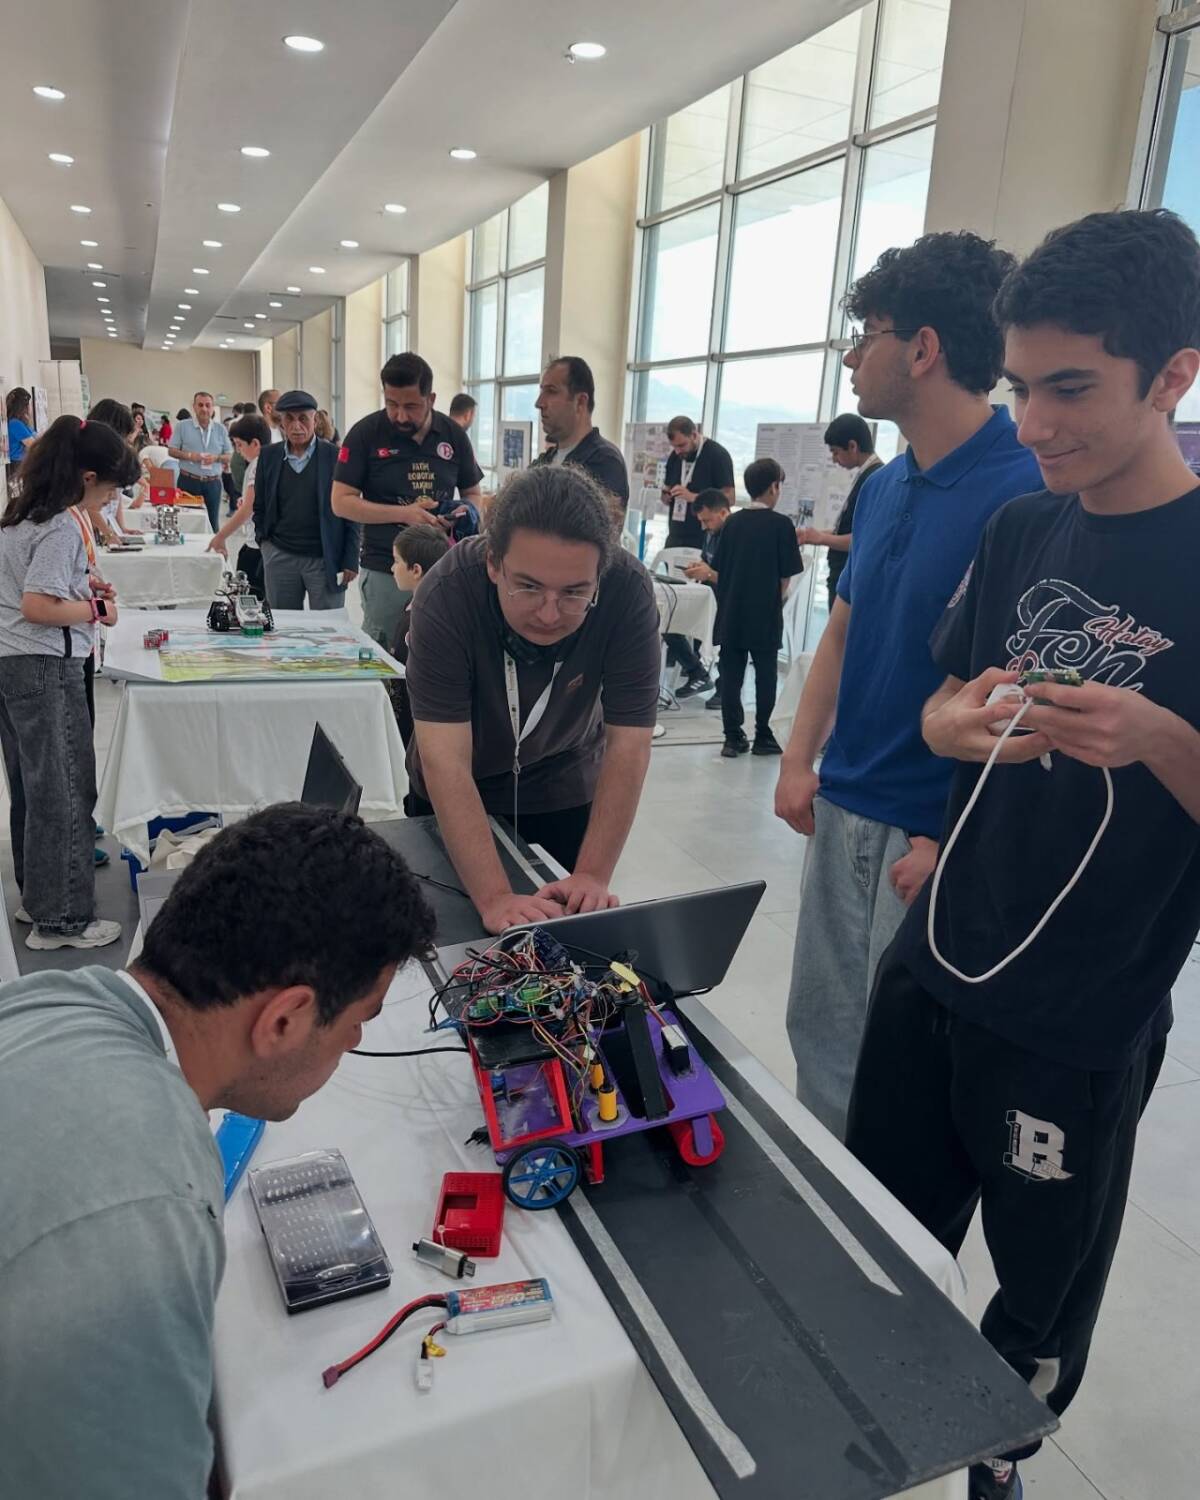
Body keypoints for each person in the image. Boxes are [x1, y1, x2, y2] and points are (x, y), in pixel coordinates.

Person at [847, 208, 1200, 1500]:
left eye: (1072, 390)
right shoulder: (1018, 533)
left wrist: (1161, 733)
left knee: (1036, 1304)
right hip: (936, 960)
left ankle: (996, 1459)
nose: (1036, 425)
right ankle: (870, 1431)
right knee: (877, 1237)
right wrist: (956, 736)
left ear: (1173, 375)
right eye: (1019, 388)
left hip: (1079, 1014)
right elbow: (946, 711)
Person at [0, 803, 435, 1500]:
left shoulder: (50, 1002)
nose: (352, 1044)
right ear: (285, 1020)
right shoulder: (143, 1212)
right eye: (356, 1024)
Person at [775, 231, 1044, 1141]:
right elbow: (845, 629)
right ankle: (826, 1227)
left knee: (901, 1069)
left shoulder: (1027, 495)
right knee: (821, 1036)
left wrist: (944, 833)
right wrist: (797, 758)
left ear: (922, 349)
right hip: (844, 803)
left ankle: (887, 1257)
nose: (853, 357)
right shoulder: (886, 485)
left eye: (868, 335)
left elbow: (1014, 697)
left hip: (925, 835)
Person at [406, 464, 660, 934]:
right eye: (527, 586)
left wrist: (592, 875)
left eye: (574, 593)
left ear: (600, 577)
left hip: (560, 778)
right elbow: (445, 761)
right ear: (492, 563)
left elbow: (629, 746)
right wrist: (495, 896)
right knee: (455, 939)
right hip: (458, 786)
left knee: (561, 941)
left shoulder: (629, 592)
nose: (548, 613)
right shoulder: (445, 595)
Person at [0, 416, 138, 949]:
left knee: (33, 789)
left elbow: (27, 586)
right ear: (86, 477)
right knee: (64, 789)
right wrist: (95, 606)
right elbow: (37, 606)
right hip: (45, 668)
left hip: (14, 666)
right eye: (111, 487)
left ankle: (38, 898)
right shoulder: (59, 525)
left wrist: (79, 584)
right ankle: (61, 920)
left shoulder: (22, 514)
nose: (112, 498)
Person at [332, 352, 483, 646]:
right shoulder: (366, 434)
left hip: (441, 569)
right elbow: (340, 501)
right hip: (386, 569)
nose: (400, 416)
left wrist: (461, 517)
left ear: (431, 398)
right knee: (386, 650)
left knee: (437, 649)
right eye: (392, 404)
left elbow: (473, 494)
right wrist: (404, 514)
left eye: (411, 406)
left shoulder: (453, 435)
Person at [705, 461, 802, 760]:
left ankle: (732, 738)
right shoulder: (781, 525)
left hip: (732, 611)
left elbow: (718, 567)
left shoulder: (732, 523)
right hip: (764, 614)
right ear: (774, 486)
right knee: (765, 676)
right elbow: (786, 576)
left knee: (731, 676)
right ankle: (764, 736)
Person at [252, 390, 358, 611]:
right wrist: (265, 543)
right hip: (280, 555)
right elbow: (260, 505)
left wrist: (350, 558)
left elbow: (351, 510)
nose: (296, 425)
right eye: (289, 418)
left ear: (315, 419)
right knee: (284, 627)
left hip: (325, 558)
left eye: (303, 418)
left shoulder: (335, 457)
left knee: (328, 629)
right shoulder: (268, 457)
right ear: (281, 422)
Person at [798, 413, 884, 612]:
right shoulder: (866, 475)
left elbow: (864, 539)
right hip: (842, 574)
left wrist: (821, 538)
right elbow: (849, 529)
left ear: (853, 446)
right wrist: (815, 535)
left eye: (836, 452)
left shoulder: (875, 479)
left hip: (850, 578)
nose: (834, 459)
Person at [531, 356, 629, 510]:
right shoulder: (546, 461)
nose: (539, 403)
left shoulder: (605, 461)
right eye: (542, 391)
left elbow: (591, 530)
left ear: (580, 402)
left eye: (551, 391)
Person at [387, 525, 450, 748]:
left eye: (396, 561)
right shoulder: (414, 606)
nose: (392, 568)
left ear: (415, 569)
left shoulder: (423, 620)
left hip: (414, 730)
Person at [209, 412, 270, 598]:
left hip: (257, 548)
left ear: (255, 444)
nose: (238, 450)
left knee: (249, 599)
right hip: (262, 544)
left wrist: (221, 536)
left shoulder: (257, 464)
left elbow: (247, 510)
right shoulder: (268, 462)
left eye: (239, 445)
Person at [661, 415, 735, 549]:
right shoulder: (675, 457)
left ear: (694, 435)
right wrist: (666, 496)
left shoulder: (718, 455)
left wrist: (693, 497)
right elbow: (666, 489)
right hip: (675, 535)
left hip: (705, 538)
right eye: (674, 446)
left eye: (682, 445)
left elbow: (730, 498)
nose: (678, 451)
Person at [168, 391, 232, 530]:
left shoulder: (220, 429)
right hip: (188, 481)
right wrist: (191, 456)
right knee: (185, 522)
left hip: (213, 483)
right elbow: (171, 450)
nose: (204, 409)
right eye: (200, 405)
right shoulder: (182, 426)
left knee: (213, 523)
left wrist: (216, 458)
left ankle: (212, 551)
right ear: (194, 407)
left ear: (212, 407)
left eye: (208, 405)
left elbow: (230, 455)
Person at [6, 389, 36, 493]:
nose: (31, 408)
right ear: (24, 407)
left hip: (20, 465)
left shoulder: (21, 423)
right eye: (29, 405)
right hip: (16, 466)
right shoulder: (15, 424)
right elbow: (33, 445)